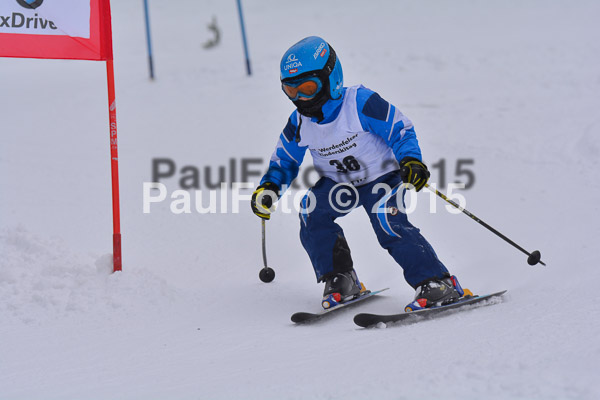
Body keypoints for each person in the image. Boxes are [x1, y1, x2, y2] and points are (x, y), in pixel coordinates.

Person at [251, 36, 466, 311]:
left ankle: (437, 282)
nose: (300, 98)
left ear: (331, 79)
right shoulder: (299, 122)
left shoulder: (360, 103)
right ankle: (341, 277)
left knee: (387, 223)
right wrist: (269, 187)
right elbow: (284, 160)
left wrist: (411, 161)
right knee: (311, 211)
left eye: (307, 88)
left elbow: (400, 130)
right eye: (290, 91)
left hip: (382, 178)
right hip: (339, 184)